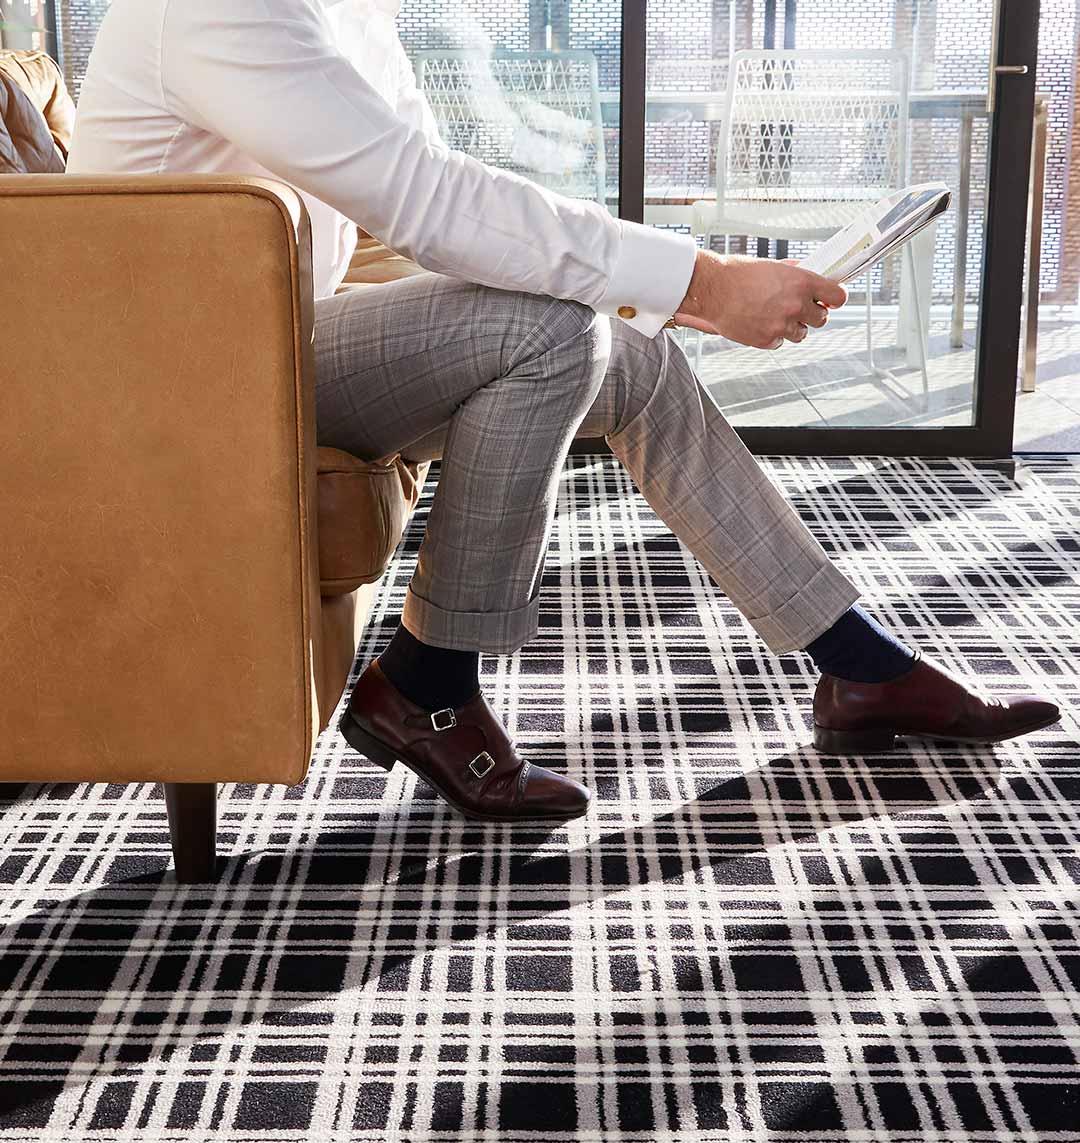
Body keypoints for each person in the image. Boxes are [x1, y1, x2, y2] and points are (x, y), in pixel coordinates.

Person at [68, 0, 1059, 823]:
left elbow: (430, 188)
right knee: (553, 332)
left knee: (627, 346)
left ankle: (860, 666)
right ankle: (429, 686)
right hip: (166, 381)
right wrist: (706, 282)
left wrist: (649, 293)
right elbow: (426, 198)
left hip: (270, 341)